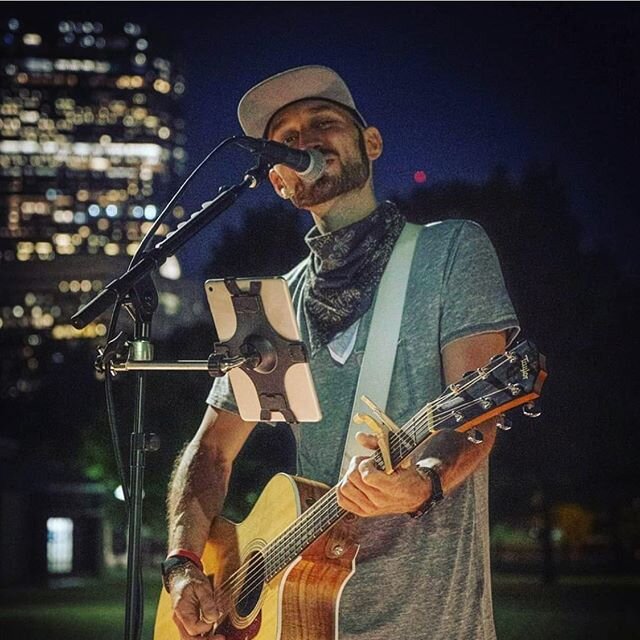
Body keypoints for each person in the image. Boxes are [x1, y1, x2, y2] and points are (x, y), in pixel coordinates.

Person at [162, 65, 520, 640]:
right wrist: (182, 565)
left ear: (370, 143)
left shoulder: (450, 251)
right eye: (287, 140)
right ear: (278, 179)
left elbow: (477, 416)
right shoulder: (268, 311)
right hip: (296, 623)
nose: (305, 141)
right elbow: (211, 456)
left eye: (323, 123)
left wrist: (422, 480)